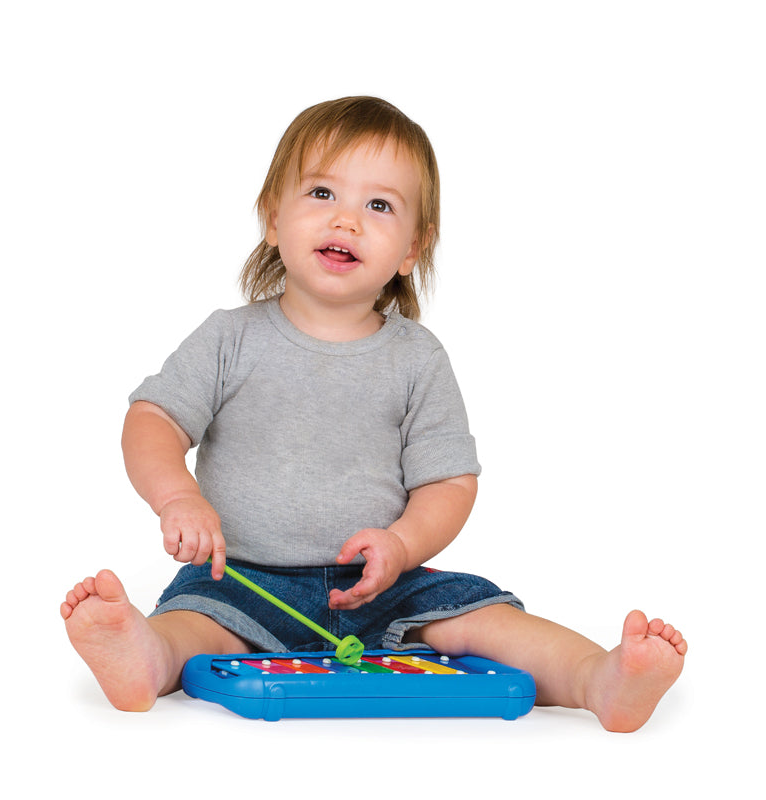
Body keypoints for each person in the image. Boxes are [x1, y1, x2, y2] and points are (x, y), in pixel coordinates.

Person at [61, 96, 686, 732]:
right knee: (195, 624)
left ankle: (596, 678)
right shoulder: (229, 339)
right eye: (322, 192)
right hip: (240, 580)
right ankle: (144, 657)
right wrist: (177, 498)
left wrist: (402, 544)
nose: (348, 220)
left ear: (412, 247)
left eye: (379, 205)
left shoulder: (417, 358)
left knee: (483, 617)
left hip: (383, 585)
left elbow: (449, 482)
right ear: (273, 217)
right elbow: (154, 420)